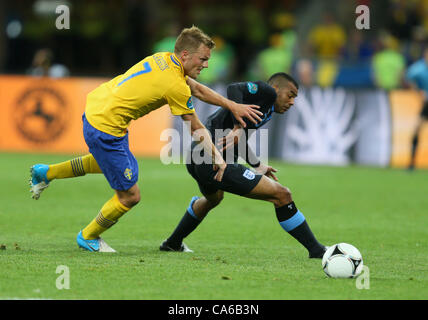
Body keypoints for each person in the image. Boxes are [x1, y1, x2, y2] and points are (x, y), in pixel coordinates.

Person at [29, 26, 263, 252]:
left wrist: (232, 105)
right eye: (202, 59)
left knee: (107, 163)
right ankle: (88, 236)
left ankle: (45, 172)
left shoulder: (163, 59)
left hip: (97, 109)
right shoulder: (174, 84)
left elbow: (197, 89)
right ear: (185, 54)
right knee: (130, 196)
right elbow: (195, 128)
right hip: (106, 126)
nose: (206, 64)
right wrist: (219, 159)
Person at [160, 72, 327, 258]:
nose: (292, 102)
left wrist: (257, 164)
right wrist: (238, 127)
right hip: (212, 159)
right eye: (290, 95)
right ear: (276, 89)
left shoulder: (266, 109)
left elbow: (236, 141)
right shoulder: (267, 93)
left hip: (197, 156)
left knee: (213, 199)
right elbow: (234, 88)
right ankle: (317, 250)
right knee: (282, 195)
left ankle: (172, 243)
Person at [406, 47, 428, 170]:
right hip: (426, 104)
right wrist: (417, 91)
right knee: (416, 130)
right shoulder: (418, 68)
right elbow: (407, 78)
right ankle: (412, 162)